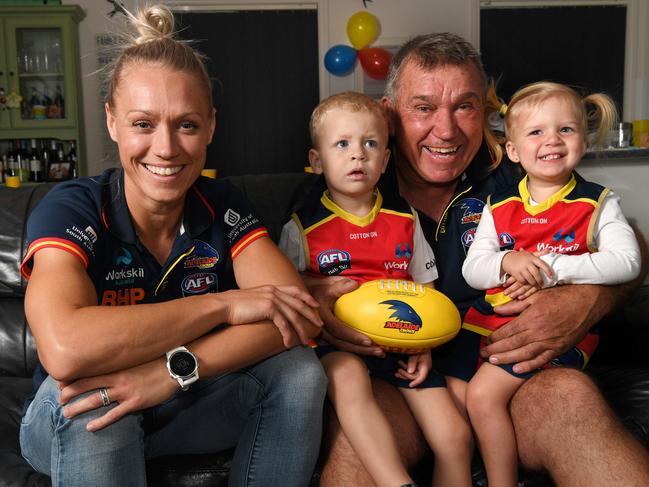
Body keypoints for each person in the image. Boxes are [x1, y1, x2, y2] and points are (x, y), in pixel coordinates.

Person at [313, 33, 649, 486]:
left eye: (465, 107)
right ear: (390, 115)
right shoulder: (353, 172)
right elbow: (281, 267)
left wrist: (589, 300)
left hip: (516, 370)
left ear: (487, 115)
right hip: (399, 377)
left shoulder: (520, 167)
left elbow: (632, 245)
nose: (447, 130)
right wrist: (308, 292)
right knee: (356, 443)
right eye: (424, 107)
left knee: (572, 399)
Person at [18, 5, 327, 487]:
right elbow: (64, 347)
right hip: (73, 415)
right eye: (143, 124)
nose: (165, 148)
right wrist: (224, 304)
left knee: (300, 373)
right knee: (92, 403)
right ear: (113, 122)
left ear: (210, 126)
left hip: (182, 400)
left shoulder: (223, 204)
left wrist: (170, 373)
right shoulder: (73, 208)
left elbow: (298, 313)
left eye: (186, 124)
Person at [279, 91, 472, 487]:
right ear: (317, 161)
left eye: (370, 144)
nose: (358, 155)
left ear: (385, 160)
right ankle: (395, 483)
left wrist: (425, 345)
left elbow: (426, 289)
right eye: (342, 144)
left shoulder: (405, 220)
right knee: (347, 377)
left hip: (402, 343)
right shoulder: (301, 229)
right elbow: (286, 294)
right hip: (335, 347)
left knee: (455, 436)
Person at [461, 81, 641, 486]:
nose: (552, 141)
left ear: (583, 138)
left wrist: (555, 267)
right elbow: (473, 269)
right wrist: (507, 259)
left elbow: (628, 262)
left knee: (482, 396)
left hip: (553, 337)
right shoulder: (500, 205)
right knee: (453, 394)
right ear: (512, 150)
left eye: (566, 129)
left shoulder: (598, 203)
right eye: (536, 132)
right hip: (487, 326)